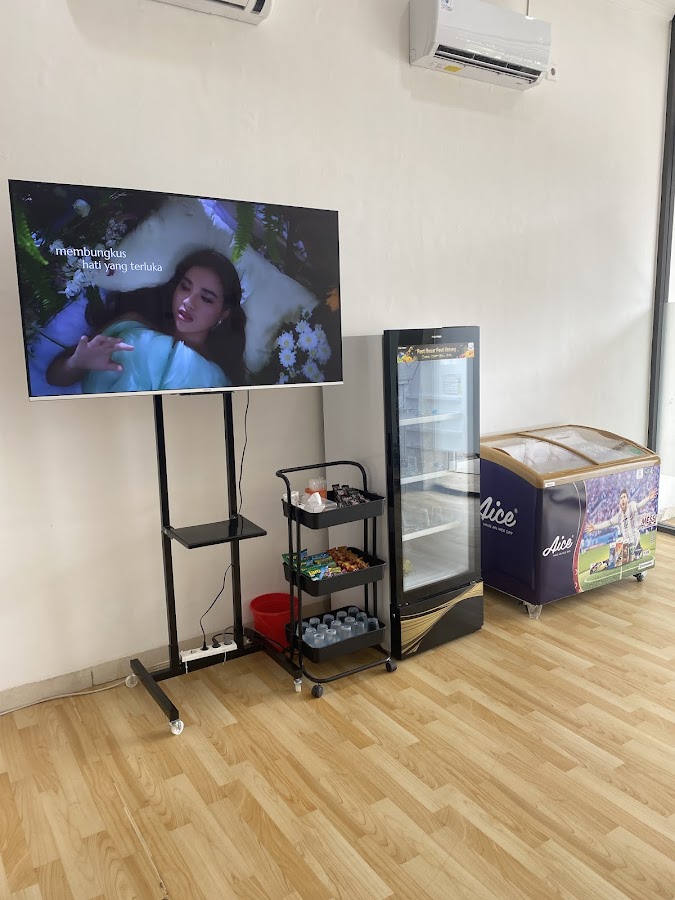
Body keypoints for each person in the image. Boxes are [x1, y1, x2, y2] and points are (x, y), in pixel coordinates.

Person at [46, 250, 246, 393]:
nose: (188, 302)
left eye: (206, 298)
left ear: (223, 314)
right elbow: (55, 377)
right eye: (185, 287)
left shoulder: (215, 380)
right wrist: (77, 363)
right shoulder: (133, 326)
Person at [585, 486, 657, 551]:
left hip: (636, 542)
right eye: (621, 498)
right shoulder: (618, 516)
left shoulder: (632, 506)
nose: (622, 499)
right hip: (626, 545)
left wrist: (648, 498)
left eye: (624, 497)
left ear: (627, 499)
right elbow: (608, 523)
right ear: (619, 502)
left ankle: (637, 549)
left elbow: (639, 505)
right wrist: (595, 527)